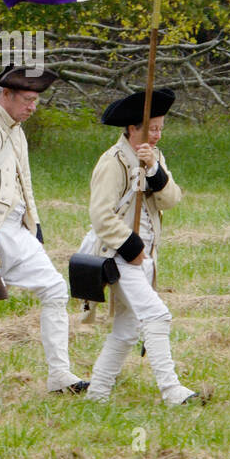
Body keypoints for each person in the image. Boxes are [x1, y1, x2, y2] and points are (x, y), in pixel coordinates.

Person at [0, 65, 85, 393]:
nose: (32, 106)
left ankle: (59, 375)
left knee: (54, 289)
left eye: (35, 99)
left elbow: (25, 182)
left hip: (15, 229)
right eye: (27, 99)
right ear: (6, 94)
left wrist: (34, 225)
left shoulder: (17, 131)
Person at [84, 88, 204, 405]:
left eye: (161, 128)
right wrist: (131, 246)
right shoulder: (113, 162)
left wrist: (153, 170)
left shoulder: (155, 158)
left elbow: (172, 199)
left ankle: (96, 393)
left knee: (125, 330)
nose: (157, 134)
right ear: (132, 128)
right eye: (152, 128)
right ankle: (171, 390)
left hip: (144, 257)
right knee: (157, 315)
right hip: (119, 256)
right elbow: (100, 216)